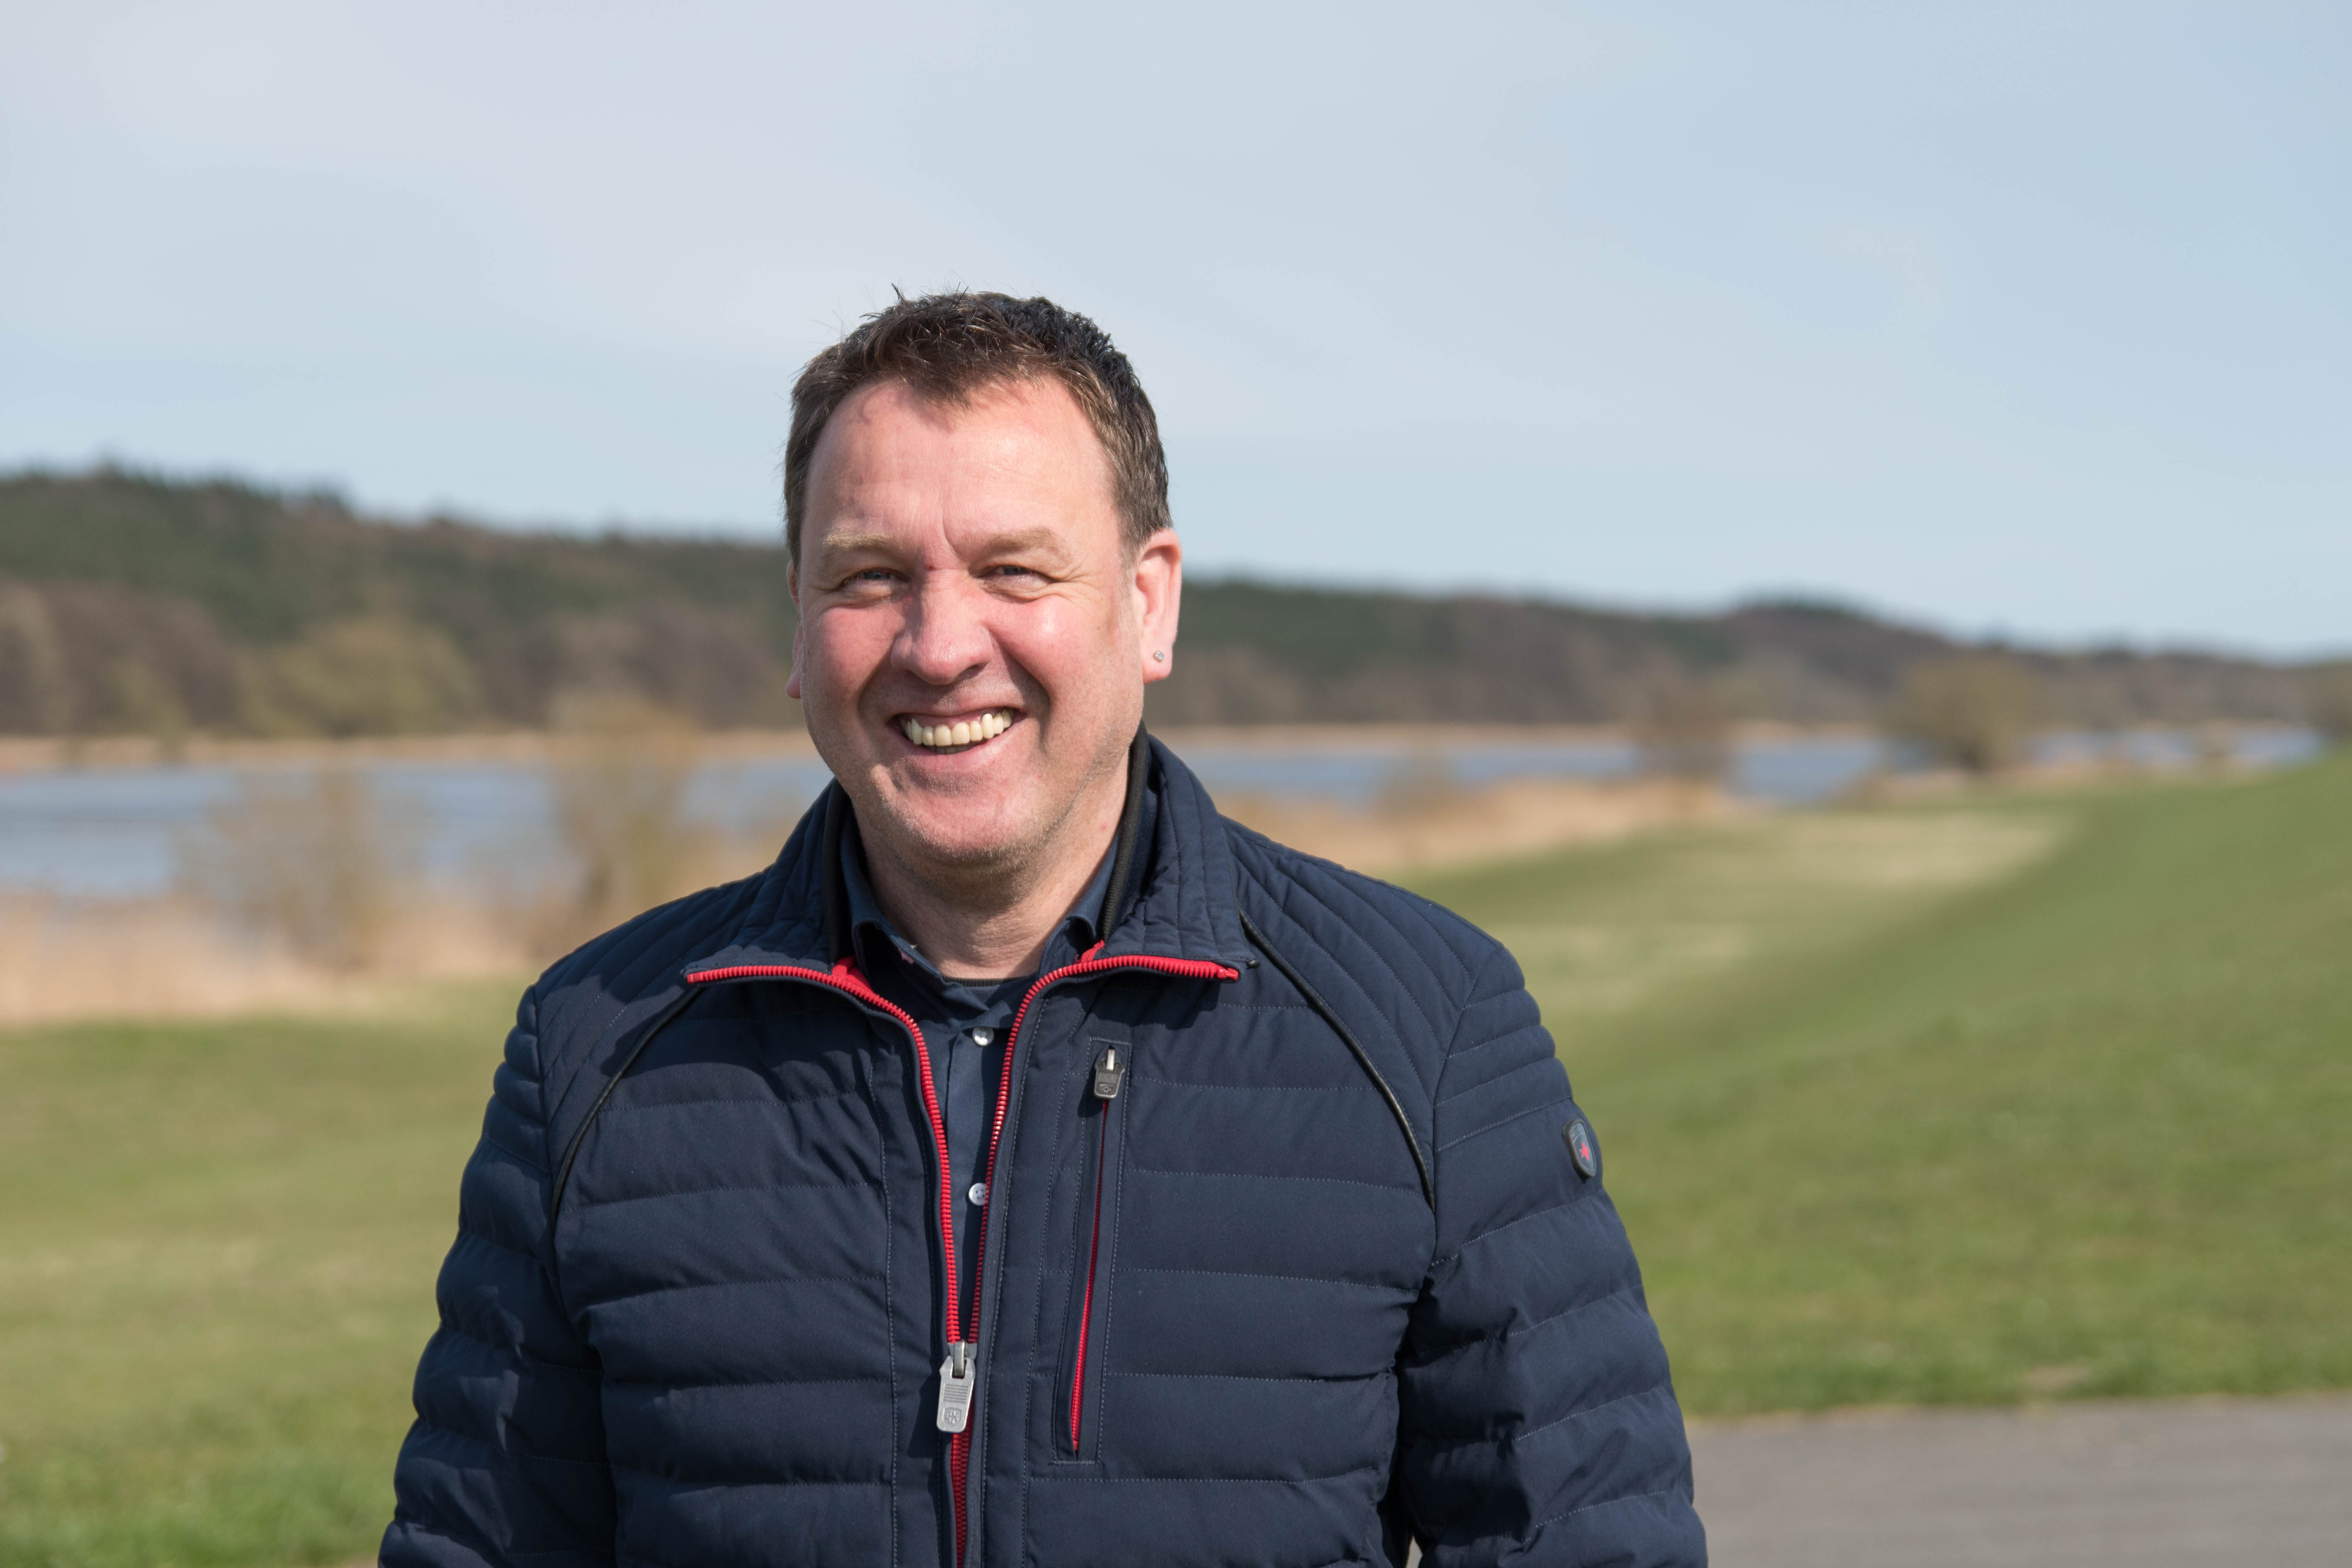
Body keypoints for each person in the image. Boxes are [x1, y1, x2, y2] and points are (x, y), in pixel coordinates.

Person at [382, 291, 1705, 1568]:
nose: (939, 645)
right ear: (796, 618)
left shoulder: (1425, 1024)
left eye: (1014, 570)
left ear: (1149, 603)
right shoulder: (597, 1044)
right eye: (868, 577)